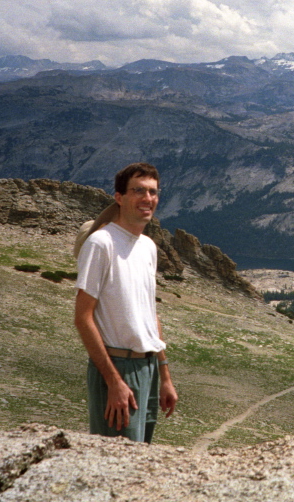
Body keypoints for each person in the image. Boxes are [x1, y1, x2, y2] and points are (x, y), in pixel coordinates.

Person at [73, 162, 177, 442]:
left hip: (149, 367)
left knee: (139, 460)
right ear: (119, 197)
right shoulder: (101, 243)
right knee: (116, 461)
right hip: (117, 367)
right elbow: (83, 317)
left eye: (153, 192)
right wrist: (113, 381)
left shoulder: (147, 247)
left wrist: (164, 376)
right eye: (138, 191)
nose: (148, 199)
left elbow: (150, 314)